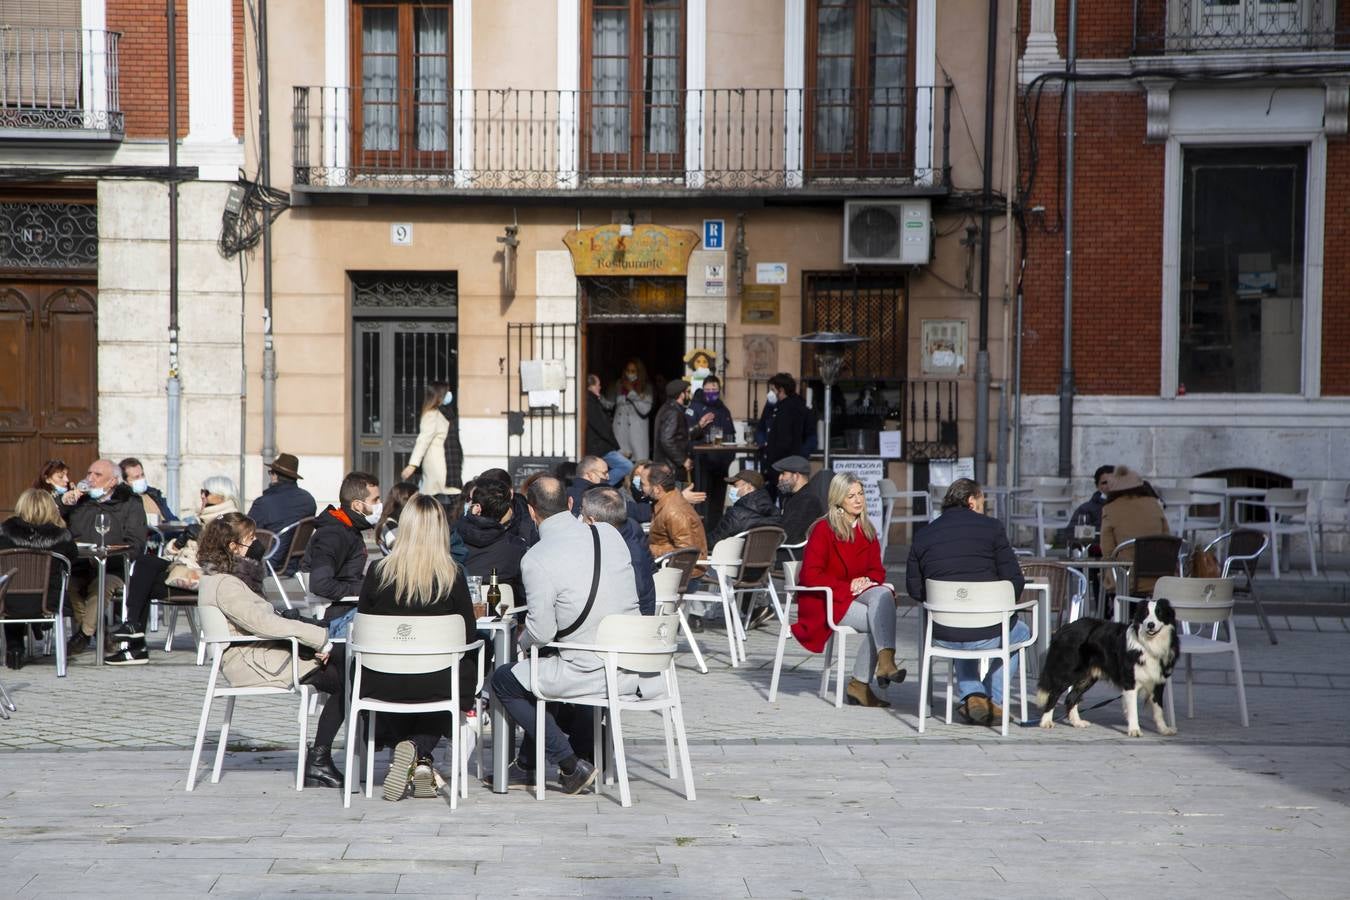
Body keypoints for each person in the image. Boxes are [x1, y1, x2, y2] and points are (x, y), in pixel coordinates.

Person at [489, 475, 641, 794]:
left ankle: (569, 763)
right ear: (571, 504)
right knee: (542, 667)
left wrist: (521, 643)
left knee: (504, 679)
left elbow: (541, 633)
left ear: (531, 512)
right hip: (629, 665)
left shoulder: (536, 558)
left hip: (587, 670)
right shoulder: (609, 535)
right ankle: (529, 763)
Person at [196, 513, 347, 788]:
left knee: (345, 667)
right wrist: (320, 640)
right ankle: (322, 760)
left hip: (261, 654)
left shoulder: (223, 577)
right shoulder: (225, 583)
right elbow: (263, 623)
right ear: (233, 547)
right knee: (348, 678)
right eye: (251, 539)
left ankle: (324, 758)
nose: (256, 544)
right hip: (254, 662)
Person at [355, 493, 479, 801]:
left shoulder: (377, 571)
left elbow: (363, 628)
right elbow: (467, 634)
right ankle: (420, 753)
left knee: (391, 676)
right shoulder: (453, 575)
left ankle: (408, 748)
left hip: (382, 681)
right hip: (437, 682)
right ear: (441, 530)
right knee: (457, 675)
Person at [905, 478, 1027, 725]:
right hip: (988, 628)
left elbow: (915, 590)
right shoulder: (992, 528)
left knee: (961, 625)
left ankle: (973, 696)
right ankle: (993, 701)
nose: (983, 510)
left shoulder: (923, 534)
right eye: (982, 504)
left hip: (943, 631)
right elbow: (1015, 580)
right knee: (1021, 633)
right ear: (972, 502)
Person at [794, 473, 904, 708]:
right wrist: (847, 586)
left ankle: (882, 665)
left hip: (859, 594)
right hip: (828, 599)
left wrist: (867, 579)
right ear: (838, 500)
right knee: (882, 619)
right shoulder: (824, 529)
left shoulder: (867, 529)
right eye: (851, 495)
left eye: (861, 494)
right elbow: (810, 574)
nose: (858, 500)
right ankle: (862, 683)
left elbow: (878, 571)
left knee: (883, 594)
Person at [112, 474, 247, 661]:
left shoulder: (231, 523)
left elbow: (224, 560)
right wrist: (180, 542)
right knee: (145, 565)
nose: (202, 496)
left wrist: (202, 541)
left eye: (206, 493)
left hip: (205, 579)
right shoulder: (205, 518)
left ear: (222, 496)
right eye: (202, 492)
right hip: (184, 569)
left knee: (143, 582)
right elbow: (171, 553)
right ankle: (133, 630)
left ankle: (135, 645)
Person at [60, 459, 147, 656]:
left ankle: (83, 634)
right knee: (67, 585)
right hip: (80, 564)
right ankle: (100, 633)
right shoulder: (80, 502)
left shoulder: (130, 502)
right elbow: (52, 522)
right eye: (89, 473)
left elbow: (136, 542)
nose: (90, 479)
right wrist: (63, 503)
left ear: (112, 482)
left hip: (114, 567)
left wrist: (111, 551)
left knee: (101, 586)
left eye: (97, 475)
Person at [1, 489, 78, 669]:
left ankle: (14, 646)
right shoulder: (62, 537)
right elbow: (72, 560)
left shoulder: (4, 534)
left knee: (11, 587)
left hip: (8, 601)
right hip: (47, 601)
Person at [302, 471, 381, 637]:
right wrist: (363, 589)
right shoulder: (333, 535)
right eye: (375, 500)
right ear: (357, 505)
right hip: (338, 615)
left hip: (349, 608)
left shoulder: (348, 529)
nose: (380, 505)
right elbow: (320, 584)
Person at [454, 477, 529, 610]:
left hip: (459, 616)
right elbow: (522, 595)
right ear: (505, 510)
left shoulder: (450, 540)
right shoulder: (516, 548)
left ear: (476, 507)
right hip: (503, 619)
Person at [580, 486, 655, 616]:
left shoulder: (621, 553)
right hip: (639, 618)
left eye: (582, 511)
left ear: (592, 521)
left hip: (626, 626)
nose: (580, 515)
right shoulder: (630, 528)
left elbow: (637, 592)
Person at [1099, 466, 1170, 593]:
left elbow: (1107, 551)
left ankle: (1114, 612)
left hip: (1126, 579)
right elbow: (1167, 539)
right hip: (1160, 578)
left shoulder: (1109, 509)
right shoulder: (1155, 504)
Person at [246, 452, 317, 569]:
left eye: (271, 472)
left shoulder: (264, 503)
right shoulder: (308, 500)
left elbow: (246, 531)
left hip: (267, 561)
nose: (271, 476)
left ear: (275, 476)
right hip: (295, 563)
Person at [689, 374, 736, 532]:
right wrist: (700, 425)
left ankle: (715, 534)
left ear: (719, 390)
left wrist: (728, 459)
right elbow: (686, 434)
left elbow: (731, 435)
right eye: (708, 390)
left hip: (721, 464)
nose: (711, 392)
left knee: (718, 501)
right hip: (702, 463)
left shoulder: (724, 410)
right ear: (703, 389)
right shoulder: (694, 408)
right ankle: (701, 533)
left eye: (714, 390)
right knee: (702, 502)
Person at [759, 373, 813, 499]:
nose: (771, 393)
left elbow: (784, 441)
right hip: (785, 464)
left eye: (773, 389)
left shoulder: (787, 409)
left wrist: (773, 465)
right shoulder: (791, 405)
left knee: (784, 499)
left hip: (782, 466)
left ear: (781, 390)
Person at [402, 382, 452, 498]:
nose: (450, 394)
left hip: (444, 465)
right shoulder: (432, 415)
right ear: (439, 395)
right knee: (432, 500)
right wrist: (412, 465)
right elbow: (423, 440)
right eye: (447, 392)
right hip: (436, 466)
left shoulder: (443, 413)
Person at [707, 470, 782, 547]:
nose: (732, 489)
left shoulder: (736, 514)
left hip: (735, 557)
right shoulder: (776, 513)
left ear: (749, 487)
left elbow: (714, 541)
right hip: (765, 558)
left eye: (736, 486)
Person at [653, 380, 709, 479]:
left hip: (670, 467)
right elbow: (667, 440)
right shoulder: (672, 412)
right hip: (671, 468)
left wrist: (699, 426)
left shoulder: (670, 408)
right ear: (681, 394)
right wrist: (683, 460)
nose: (690, 395)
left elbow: (680, 436)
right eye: (687, 392)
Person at [585, 374, 633, 486]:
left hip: (600, 446)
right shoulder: (590, 402)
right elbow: (601, 426)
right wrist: (614, 445)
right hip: (600, 447)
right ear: (591, 386)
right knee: (627, 466)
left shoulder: (593, 400)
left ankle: (600, 485)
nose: (600, 387)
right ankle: (601, 485)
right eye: (598, 385)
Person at [603, 358, 653, 462]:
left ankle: (636, 480)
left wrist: (631, 391)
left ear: (639, 373)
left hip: (637, 434)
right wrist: (598, 396)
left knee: (638, 468)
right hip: (620, 432)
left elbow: (645, 410)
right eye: (628, 370)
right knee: (621, 463)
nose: (630, 374)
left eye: (633, 371)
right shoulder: (618, 385)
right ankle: (623, 479)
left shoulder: (646, 388)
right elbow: (609, 404)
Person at [477, 468, 539, 547]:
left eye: (493, 495)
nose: (486, 499)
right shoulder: (475, 513)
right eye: (482, 494)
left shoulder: (528, 520)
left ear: (511, 493)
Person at [774, 456, 826, 545]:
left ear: (796, 476)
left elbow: (791, 535)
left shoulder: (808, 500)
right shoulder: (794, 497)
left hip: (794, 553)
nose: (780, 478)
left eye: (783, 473)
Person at [118, 458, 176, 523]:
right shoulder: (123, 501)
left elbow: (172, 519)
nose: (141, 479)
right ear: (125, 482)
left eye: (142, 475)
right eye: (136, 477)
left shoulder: (154, 494)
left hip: (169, 530)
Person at [435, 383, 465, 491]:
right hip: (451, 463)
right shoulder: (447, 413)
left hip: (446, 463)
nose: (449, 394)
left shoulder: (439, 413)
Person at [375, 481, 418, 553]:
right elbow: (403, 552)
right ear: (405, 501)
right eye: (417, 500)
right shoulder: (389, 525)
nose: (420, 504)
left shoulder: (401, 522)